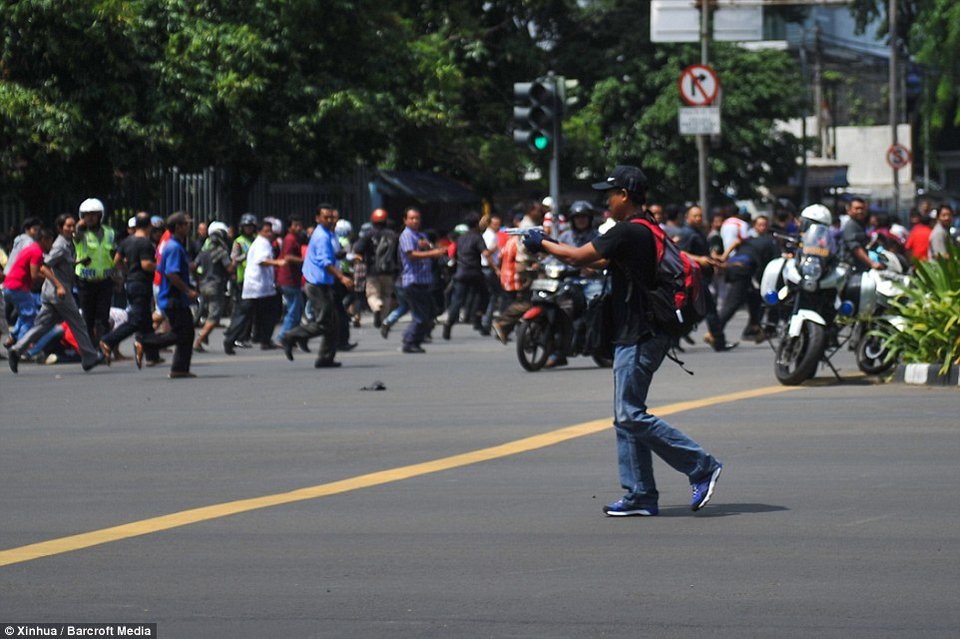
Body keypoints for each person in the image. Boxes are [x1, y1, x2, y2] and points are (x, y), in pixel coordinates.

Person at [521, 165, 723, 517]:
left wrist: (541, 241)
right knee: (625, 416)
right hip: (639, 331)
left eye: (610, 195)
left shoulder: (627, 231)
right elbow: (596, 264)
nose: (606, 202)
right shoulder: (645, 229)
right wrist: (556, 253)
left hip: (641, 333)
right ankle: (640, 495)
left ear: (625, 195)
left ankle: (701, 465)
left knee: (629, 413)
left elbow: (579, 255)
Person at [8, 214, 108, 374]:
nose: (71, 228)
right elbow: (44, 266)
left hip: (52, 293)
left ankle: (17, 350)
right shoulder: (60, 246)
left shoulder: (66, 244)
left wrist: (79, 262)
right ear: (60, 228)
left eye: (72, 225)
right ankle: (89, 357)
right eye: (67, 226)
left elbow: (62, 263)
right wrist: (60, 286)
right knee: (78, 322)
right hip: (59, 293)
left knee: (43, 326)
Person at [279, 204, 353, 367]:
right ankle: (290, 336)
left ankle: (325, 358)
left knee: (333, 322)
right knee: (324, 323)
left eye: (332, 217)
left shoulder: (330, 234)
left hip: (326, 283)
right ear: (318, 218)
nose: (329, 220)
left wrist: (342, 255)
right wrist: (342, 278)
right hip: (316, 284)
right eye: (326, 217)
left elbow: (331, 255)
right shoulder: (322, 236)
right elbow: (325, 263)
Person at [135, 213, 198, 378]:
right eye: (185, 224)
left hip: (176, 298)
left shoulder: (175, 245)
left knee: (187, 333)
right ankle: (145, 342)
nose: (188, 227)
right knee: (179, 333)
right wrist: (188, 290)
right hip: (173, 297)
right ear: (178, 227)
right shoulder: (174, 247)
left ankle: (180, 368)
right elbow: (171, 274)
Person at [99, 212, 157, 363]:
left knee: (145, 320)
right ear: (149, 226)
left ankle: (152, 355)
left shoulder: (126, 241)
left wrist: (127, 270)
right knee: (137, 320)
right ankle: (108, 340)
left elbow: (116, 260)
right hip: (141, 283)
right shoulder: (145, 243)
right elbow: (146, 264)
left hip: (130, 282)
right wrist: (161, 267)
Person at [223, 220, 285, 353]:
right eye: (266, 231)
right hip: (257, 286)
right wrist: (278, 263)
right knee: (248, 314)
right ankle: (231, 339)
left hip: (262, 287)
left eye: (270, 231)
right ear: (260, 232)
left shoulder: (262, 243)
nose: (269, 234)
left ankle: (264, 340)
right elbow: (262, 261)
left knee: (264, 314)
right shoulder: (262, 243)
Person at [492, 198, 545, 344]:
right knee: (528, 301)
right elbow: (527, 246)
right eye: (537, 209)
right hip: (527, 266)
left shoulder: (532, 224)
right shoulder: (527, 225)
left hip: (528, 264)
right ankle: (502, 323)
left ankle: (505, 327)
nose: (540, 212)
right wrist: (538, 257)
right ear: (530, 211)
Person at [397, 207, 447, 353]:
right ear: (405, 220)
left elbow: (428, 248)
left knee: (430, 312)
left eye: (417, 218)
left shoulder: (420, 235)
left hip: (424, 280)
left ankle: (411, 338)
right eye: (411, 218)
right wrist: (433, 253)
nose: (415, 221)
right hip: (413, 280)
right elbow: (411, 255)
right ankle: (410, 341)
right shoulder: (406, 235)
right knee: (421, 315)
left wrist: (431, 248)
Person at [73, 198, 119, 345]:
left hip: (105, 281)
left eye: (94, 214)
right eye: (87, 214)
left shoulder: (109, 233)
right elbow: (75, 235)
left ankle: (103, 346)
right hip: (85, 282)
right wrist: (78, 226)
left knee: (103, 318)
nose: (90, 218)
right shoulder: (80, 234)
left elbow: (113, 253)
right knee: (88, 318)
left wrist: (117, 275)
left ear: (100, 216)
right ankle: (90, 349)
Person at [442, 212, 491, 340]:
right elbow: (485, 253)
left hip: (461, 272)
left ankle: (448, 324)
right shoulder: (477, 237)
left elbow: (454, 255)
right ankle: (478, 319)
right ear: (476, 224)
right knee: (484, 295)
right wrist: (496, 267)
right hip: (474, 272)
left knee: (457, 301)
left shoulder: (461, 238)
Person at [3, 227, 53, 344]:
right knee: (30, 316)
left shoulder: (30, 248)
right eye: (50, 241)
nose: (51, 244)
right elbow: (34, 275)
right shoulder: (37, 252)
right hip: (18, 287)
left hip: (10, 286)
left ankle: (14, 337)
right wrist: (53, 280)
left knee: (25, 313)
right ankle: (21, 346)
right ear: (44, 240)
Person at [353, 208, 400, 328]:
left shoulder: (369, 234)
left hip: (372, 270)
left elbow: (358, 249)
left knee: (372, 294)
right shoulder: (393, 235)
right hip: (389, 271)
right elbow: (397, 254)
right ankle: (382, 317)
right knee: (386, 294)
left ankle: (377, 307)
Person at [194, 221, 232, 352]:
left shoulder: (203, 252)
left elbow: (194, 265)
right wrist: (238, 260)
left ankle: (204, 335)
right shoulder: (221, 251)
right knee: (214, 316)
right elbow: (229, 268)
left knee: (207, 312)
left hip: (203, 285)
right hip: (216, 285)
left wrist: (197, 279)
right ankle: (199, 339)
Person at [276, 216, 305, 343]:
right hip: (288, 279)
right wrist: (304, 260)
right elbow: (288, 257)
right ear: (289, 227)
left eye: (300, 225)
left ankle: (292, 336)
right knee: (294, 310)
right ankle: (283, 337)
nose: (298, 228)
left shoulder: (296, 239)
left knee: (297, 309)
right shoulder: (290, 239)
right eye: (295, 225)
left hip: (293, 279)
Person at [841, 197, 885, 272]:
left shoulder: (860, 225)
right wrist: (872, 263)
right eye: (857, 208)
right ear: (849, 211)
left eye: (862, 208)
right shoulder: (851, 226)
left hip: (861, 268)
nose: (860, 211)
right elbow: (856, 248)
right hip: (852, 270)